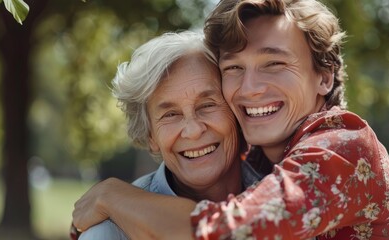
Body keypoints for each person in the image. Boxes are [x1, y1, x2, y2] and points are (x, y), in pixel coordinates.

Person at [73, 0, 389, 239]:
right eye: (234, 68)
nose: (249, 90)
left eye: (274, 64)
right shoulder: (260, 158)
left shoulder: (341, 146)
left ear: (324, 76)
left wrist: (111, 196)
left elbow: (222, 233)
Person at [72, 31, 262, 240]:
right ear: (151, 136)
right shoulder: (111, 234)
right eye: (170, 114)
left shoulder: (281, 191)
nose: (193, 130)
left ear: (236, 111)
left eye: (207, 105)